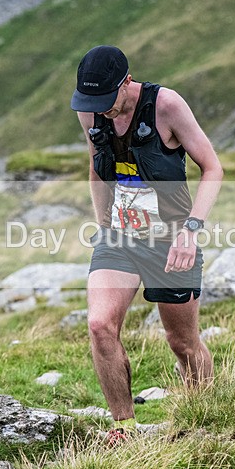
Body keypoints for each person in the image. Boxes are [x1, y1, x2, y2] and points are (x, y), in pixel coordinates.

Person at [70, 45, 223, 441]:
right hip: (119, 236)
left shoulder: (167, 105)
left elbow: (212, 168)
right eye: (91, 102)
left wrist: (190, 231)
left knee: (182, 342)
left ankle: (203, 417)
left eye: (106, 100)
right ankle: (124, 426)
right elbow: (95, 167)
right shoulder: (90, 109)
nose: (99, 109)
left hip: (171, 239)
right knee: (100, 324)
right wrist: (102, 223)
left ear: (127, 82)